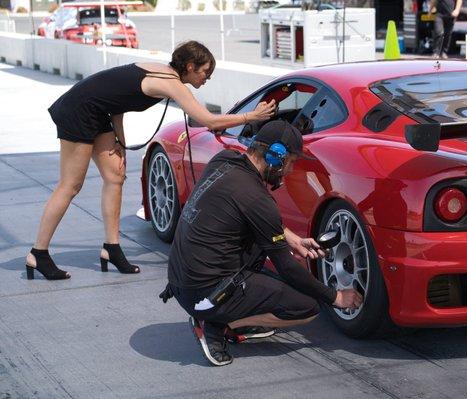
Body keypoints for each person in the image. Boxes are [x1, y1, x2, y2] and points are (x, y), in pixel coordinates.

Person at [25, 40, 276, 280]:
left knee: (115, 177)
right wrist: (250, 116)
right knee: (70, 185)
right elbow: (208, 121)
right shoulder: (170, 83)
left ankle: (111, 249)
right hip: (78, 110)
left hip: (98, 111)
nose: (207, 78)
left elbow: (116, 100)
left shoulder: (163, 72)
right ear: (190, 67)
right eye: (205, 72)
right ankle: (39, 253)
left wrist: (119, 143)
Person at [164, 120, 363, 366]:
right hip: (203, 293)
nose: (289, 171)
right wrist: (335, 297)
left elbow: (247, 214)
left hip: (180, 278)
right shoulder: (257, 198)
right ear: (276, 157)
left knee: (258, 245)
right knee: (307, 307)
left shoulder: (224, 160)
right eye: (290, 163)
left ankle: (229, 314)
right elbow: (287, 268)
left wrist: (293, 239)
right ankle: (215, 324)